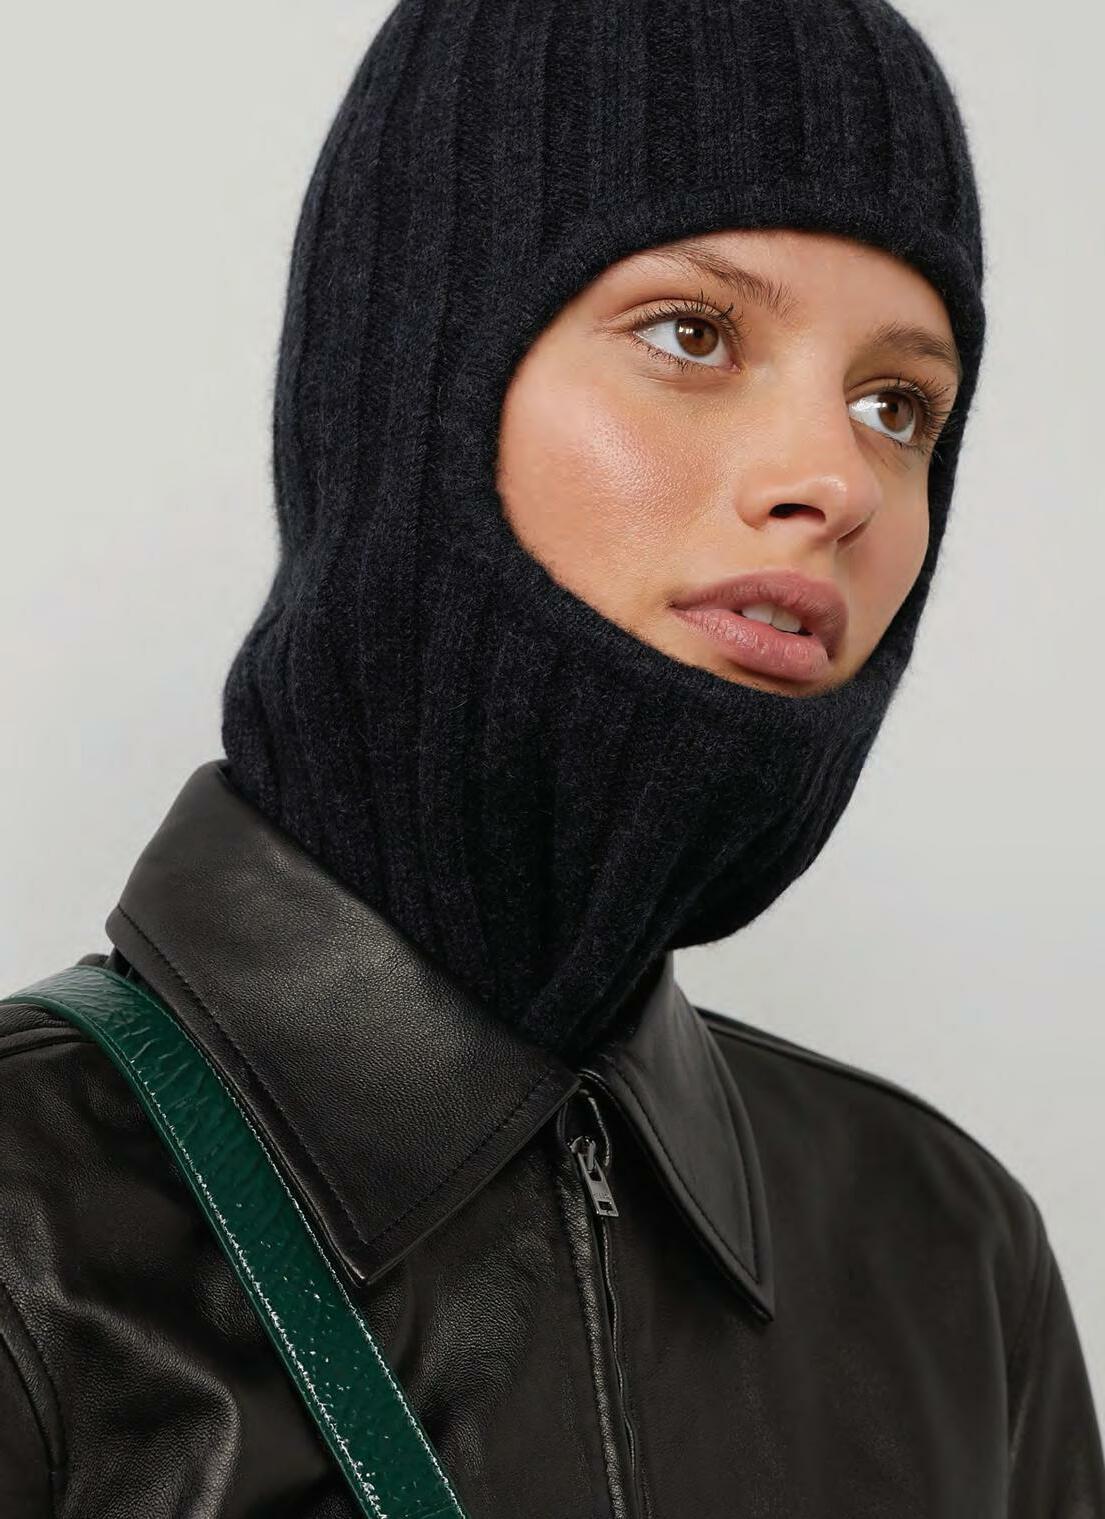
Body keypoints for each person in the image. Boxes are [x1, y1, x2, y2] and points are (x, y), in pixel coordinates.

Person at [2, 0, 1102, 1513]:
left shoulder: (952, 1254)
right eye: (692, 333)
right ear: (412, 387)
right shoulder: (26, 1224)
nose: (837, 478)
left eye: (894, 404)